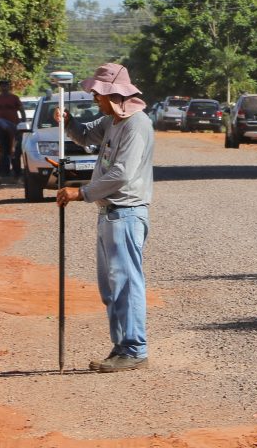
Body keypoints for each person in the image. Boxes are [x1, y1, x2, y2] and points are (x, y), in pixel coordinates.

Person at [55, 63, 154, 373]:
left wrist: (81, 192)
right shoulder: (112, 120)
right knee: (111, 287)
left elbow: (121, 174)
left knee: (126, 284)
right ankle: (122, 346)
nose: (94, 98)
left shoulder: (136, 125)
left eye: (98, 94)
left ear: (114, 94)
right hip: (108, 214)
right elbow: (85, 136)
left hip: (125, 215)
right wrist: (68, 123)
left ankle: (135, 348)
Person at [0, 79, 25, 178]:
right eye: (2, 86)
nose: (3, 87)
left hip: (14, 128)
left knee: (14, 150)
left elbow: (22, 110)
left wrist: (23, 123)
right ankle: (3, 172)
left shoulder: (14, 98)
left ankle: (17, 173)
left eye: (5, 85)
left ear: (9, 87)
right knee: (3, 150)